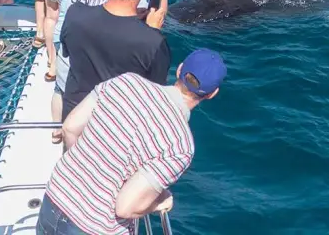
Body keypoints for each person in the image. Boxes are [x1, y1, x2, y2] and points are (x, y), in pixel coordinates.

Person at [37, 49, 227, 235]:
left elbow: (70, 127)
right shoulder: (180, 146)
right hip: (94, 226)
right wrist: (159, 203)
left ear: (179, 70)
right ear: (212, 94)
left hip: (56, 194)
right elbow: (125, 208)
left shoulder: (126, 81)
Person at [59, 0, 171, 120]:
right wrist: (153, 31)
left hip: (74, 115)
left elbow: (67, 52)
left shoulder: (75, 14)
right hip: (117, 126)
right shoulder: (151, 42)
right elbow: (154, 91)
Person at [50, 0, 136, 143]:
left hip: (64, 45)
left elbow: (63, 6)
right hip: (90, 65)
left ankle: (56, 130)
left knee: (59, 90)